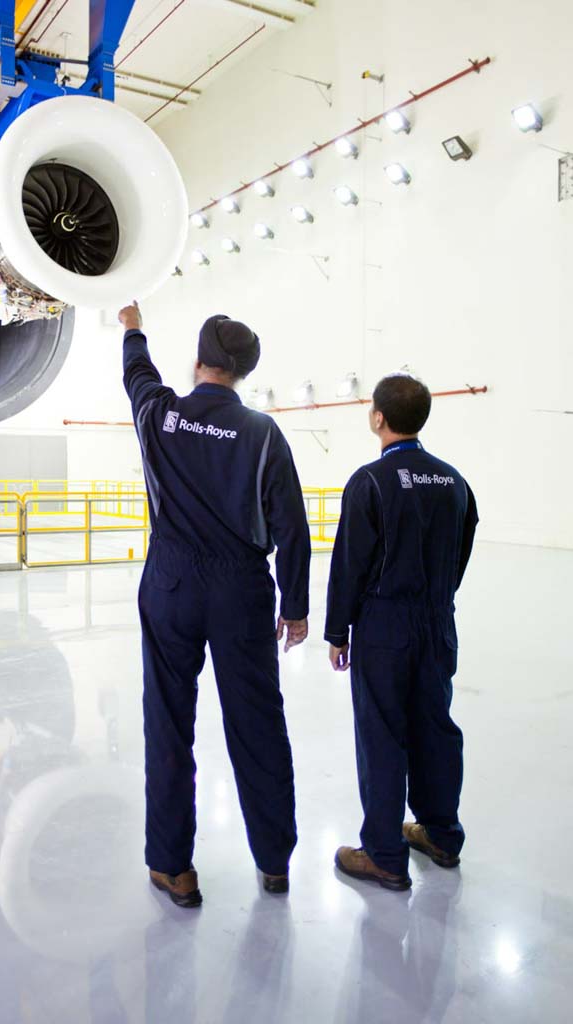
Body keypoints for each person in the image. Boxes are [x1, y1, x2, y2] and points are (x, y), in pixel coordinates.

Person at [118, 301, 311, 908]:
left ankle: (174, 867)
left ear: (198, 362)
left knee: (170, 725)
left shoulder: (160, 414)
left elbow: (137, 374)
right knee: (258, 722)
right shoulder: (262, 433)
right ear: (243, 373)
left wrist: (133, 329)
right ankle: (274, 860)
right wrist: (297, 606)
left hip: (172, 581)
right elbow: (292, 527)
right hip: (241, 591)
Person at [326, 373, 478, 891]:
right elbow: (461, 551)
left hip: (386, 625)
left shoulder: (370, 481)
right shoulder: (455, 481)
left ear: (378, 418)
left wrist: (338, 630)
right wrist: (437, 600)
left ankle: (385, 854)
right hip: (437, 621)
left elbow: (349, 563)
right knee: (435, 726)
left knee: (383, 733)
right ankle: (441, 833)